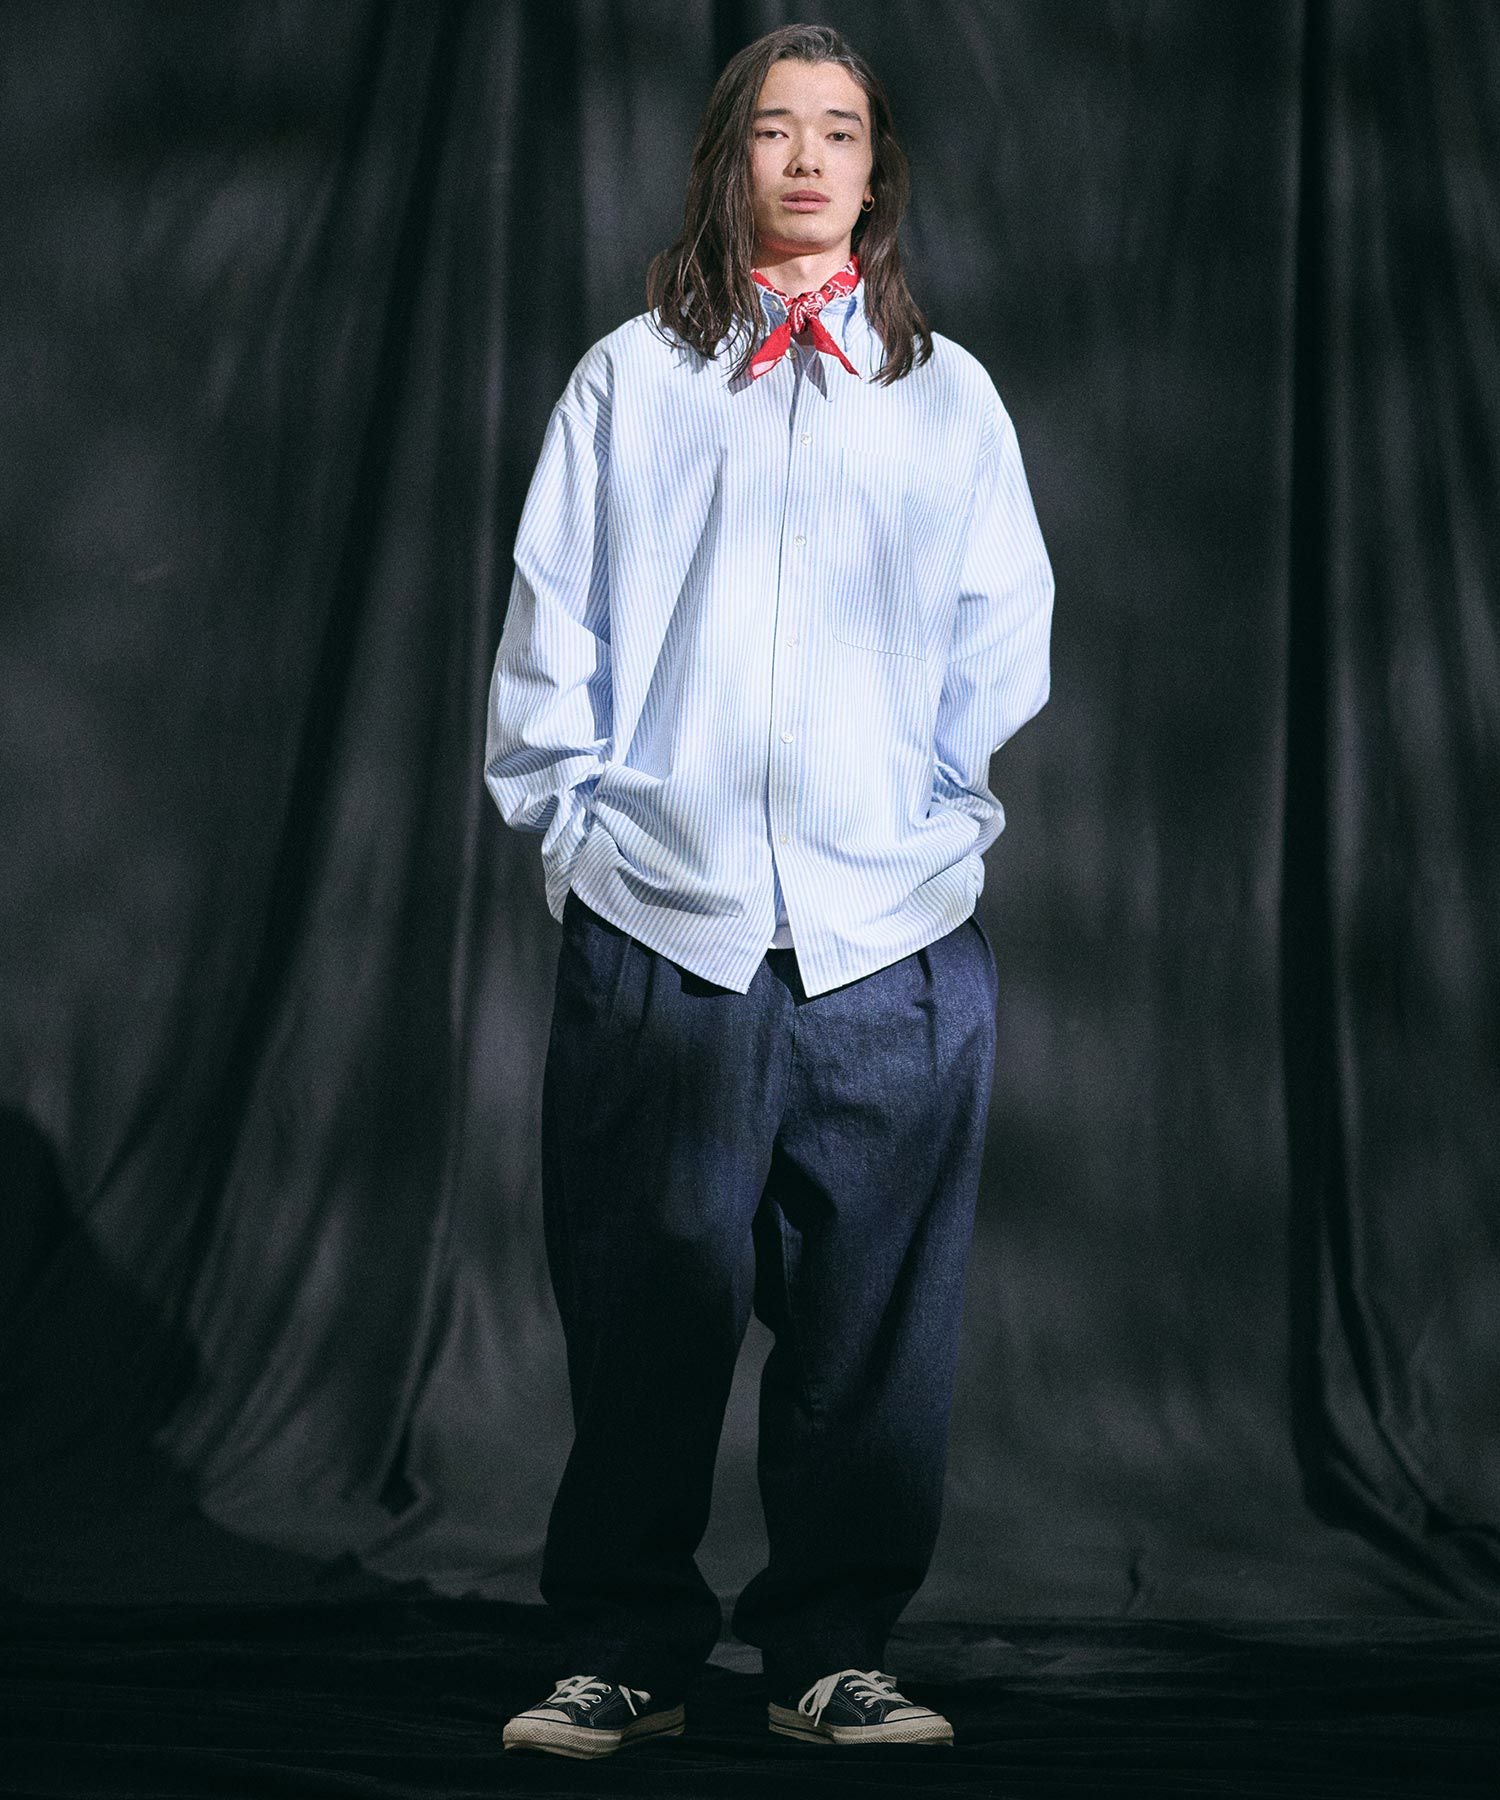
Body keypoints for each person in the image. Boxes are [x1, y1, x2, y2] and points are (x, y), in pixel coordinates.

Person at [485, 20, 1053, 1761]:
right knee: (644, 1311)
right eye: (776, 130)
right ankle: (626, 1653)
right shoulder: (628, 382)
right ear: (729, 160)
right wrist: (588, 857)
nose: (809, 158)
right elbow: (551, 647)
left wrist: (931, 840)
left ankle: (831, 1650)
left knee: (874, 1335)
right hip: (667, 930)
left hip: (891, 946)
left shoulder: (945, 397)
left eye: (842, 132)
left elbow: (999, 649)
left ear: (877, 174)